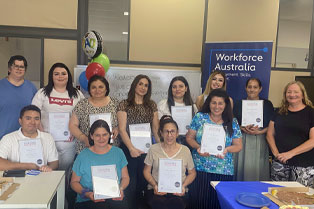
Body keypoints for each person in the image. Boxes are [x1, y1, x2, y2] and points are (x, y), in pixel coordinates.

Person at [186, 89, 242, 209]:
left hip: (223, 170)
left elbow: (238, 146)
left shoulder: (232, 121)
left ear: (226, 105)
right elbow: (189, 138)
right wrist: (198, 147)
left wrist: (226, 149)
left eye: (220, 103)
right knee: (198, 203)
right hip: (200, 168)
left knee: (218, 204)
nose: (217, 106)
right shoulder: (200, 117)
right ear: (209, 103)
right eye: (213, 103)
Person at [117, 74, 160, 209]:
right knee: (130, 183)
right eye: (140, 84)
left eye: (146, 85)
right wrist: (131, 148)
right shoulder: (124, 104)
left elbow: (155, 128)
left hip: (146, 150)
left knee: (143, 182)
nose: (143, 87)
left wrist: (160, 147)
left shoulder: (151, 105)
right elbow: (122, 130)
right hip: (128, 149)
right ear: (135, 85)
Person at [32, 62, 84, 171]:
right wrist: (43, 133)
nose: (60, 76)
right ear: (51, 76)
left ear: (68, 76)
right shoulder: (42, 93)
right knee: (47, 171)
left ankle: (64, 188)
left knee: (65, 171)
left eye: (63, 73)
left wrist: (77, 132)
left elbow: (83, 116)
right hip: (47, 140)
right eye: (56, 74)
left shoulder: (77, 94)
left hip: (69, 142)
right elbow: (34, 114)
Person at [71, 120, 129, 209]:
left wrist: (120, 189)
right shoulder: (83, 155)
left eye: (104, 134)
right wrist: (87, 194)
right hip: (88, 199)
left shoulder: (118, 152)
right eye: (97, 135)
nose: (101, 139)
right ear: (91, 136)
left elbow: (125, 177)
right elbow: (74, 182)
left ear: (110, 135)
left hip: (114, 198)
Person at [266, 81, 314, 188]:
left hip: (304, 166)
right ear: (285, 94)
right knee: (276, 195)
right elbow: (270, 134)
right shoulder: (278, 112)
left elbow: (313, 140)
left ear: (302, 94)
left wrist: (290, 153)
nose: (292, 95)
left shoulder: (311, 113)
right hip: (280, 164)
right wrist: (276, 153)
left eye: (296, 92)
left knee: (300, 199)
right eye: (289, 92)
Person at [143, 115, 196, 209]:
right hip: (157, 190)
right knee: (158, 204)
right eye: (166, 131)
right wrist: (155, 185)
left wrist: (183, 186)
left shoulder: (185, 150)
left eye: (172, 131)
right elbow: (146, 171)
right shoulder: (153, 149)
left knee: (176, 204)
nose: (169, 135)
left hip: (178, 191)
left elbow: (192, 173)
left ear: (177, 133)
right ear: (161, 133)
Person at [233, 78, 274, 181]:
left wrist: (260, 131)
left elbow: (272, 125)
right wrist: (242, 128)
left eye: (255, 87)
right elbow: (233, 123)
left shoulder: (267, 104)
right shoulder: (238, 104)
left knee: (258, 168)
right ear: (245, 88)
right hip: (242, 138)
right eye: (249, 87)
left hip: (260, 138)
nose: (252, 90)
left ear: (260, 89)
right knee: (242, 166)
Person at [69, 75, 119, 154]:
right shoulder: (82, 104)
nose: (97, 90)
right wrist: (84, 138)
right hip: (86, 149)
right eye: (93, 87)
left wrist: (118, 128)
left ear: (106, 89)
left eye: (101, 87)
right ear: (89, 89)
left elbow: (123, 123)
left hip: (111, 150)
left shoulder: (116, 104)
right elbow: (72, 125)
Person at [0, 105, 58, 172]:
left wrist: (48, 167)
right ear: (20, 121)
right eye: (28, 118)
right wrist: (27, 166)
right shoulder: (8, 139)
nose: (32, 122)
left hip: (42, 177)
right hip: (16, 179)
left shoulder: (48, 138)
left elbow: (54, 163)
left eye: (36, 119)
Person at [0, 55, 37, 139]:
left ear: (25, 70)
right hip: (3, 137)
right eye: (16, 66)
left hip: (26, 138)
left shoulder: (31, 88)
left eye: (22, 67)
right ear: (9, 69)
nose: (19, 69)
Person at [157, 76, 198, 145]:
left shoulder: (193, 107)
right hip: (169, 141)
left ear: (186, 89)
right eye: (174, 87)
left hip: (189, 142)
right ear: (171, 89)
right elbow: (159, 125)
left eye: (181, 86)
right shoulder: (163, 104)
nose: (177, 89)